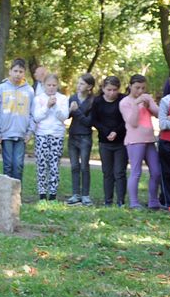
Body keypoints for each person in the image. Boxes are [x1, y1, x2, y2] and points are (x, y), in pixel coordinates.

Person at [120, 74, 161, 209]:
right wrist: (136, 105)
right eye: (137, 88)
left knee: (156, 171)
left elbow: (158, 114)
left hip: (149, 140)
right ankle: (134, 202)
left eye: (143, 88)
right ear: (130, 86)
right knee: (136, 172)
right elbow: (132, 122)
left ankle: (153, 201)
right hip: (134, 141)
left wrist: (149, 104)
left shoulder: (147, 98)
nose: (140, 91)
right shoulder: (125, 102)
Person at [0, 58, 34, 182]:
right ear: (10, 71)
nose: (17, 74)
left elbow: (32, 113)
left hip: (21, 134)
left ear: (24, 73)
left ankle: (16, 194)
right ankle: (7, 193)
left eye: (20, 71)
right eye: (15, 71)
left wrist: (30, 132)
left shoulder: (29, 91)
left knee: (18, 165)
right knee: (8, 164)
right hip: (5, 133)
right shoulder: (1, 88)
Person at [90, 76, 127, 207]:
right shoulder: (98, 101)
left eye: (115, 90)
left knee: (119, 172)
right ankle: (108, 200)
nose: (112, 93)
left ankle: (121, 201)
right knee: (107, 172)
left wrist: (116, 131)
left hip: (121, 142)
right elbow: (94, 120)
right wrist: (106, 132)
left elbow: (125, 119)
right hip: (104, 142)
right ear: (103, 89)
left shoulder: (123, 100)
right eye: (109, 90)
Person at [32, 74, 69, 201]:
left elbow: (64, 116)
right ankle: (42, 193)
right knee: (42, 163)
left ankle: (52, 194)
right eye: (49, 85)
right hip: (42, 134)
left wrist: (55, 106)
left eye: (54, 85)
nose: (51, 87)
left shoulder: (63, 98)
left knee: (54, 164)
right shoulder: (38, 99)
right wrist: (47, 106)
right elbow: (36, 117)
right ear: (44, 86)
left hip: (56, 134)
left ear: (57, 85)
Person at [67, 74, 96, 205]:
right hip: (72, 136)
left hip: (85, 136)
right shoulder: (72, 98)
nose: (79, 86)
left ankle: (85, 195)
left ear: (89, 87)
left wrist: (77, 111)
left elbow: (89, 122)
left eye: (82, 84)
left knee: (84, 166)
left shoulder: (93, 101)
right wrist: (69, 110)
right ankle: (75, 194)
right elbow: (66, 116)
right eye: (78, 83)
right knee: (74, 166)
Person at [158, 90, 170, 207]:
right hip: (167, 143)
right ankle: (168, 202)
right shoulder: (166, 101)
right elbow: (162, 124)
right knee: (167, 173)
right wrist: (167, 120)